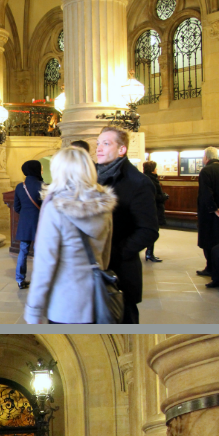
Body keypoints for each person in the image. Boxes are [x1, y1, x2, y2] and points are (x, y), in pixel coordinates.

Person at [23, 147, 116, 324]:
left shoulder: (55, 208)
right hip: (96, 299)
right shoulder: (103, 205)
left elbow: (45, 263)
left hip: (65, 304)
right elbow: (105, 254)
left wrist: (34, 310)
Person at [95, 127, 158, 324]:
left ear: (122, 150)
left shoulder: (138, 182)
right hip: (94, 270)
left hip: (120, 270)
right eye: (98, 143)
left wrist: (115, 253)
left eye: (106, 143)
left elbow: (148, 230)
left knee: (123, 321)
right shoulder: (92, 178)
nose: (98, 148)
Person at [195, 147, 219, 280]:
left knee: (207, 241)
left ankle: (211, 267)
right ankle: (217, 267)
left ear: (206, 157)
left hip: (209, 214)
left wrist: (214, 208)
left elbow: (206, 192)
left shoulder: (206, 170)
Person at [13, 160, 43, 289]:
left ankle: (20, 279)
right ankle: (39, 279)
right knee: (39, 252)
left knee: (23, 251)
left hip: (25, 223)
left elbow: (16, 207)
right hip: (40, 223)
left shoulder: (20, 186)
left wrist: (26, 215)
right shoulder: (43, 186)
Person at [142, 160, 166, 262]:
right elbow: (154, 196)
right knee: (153, 230)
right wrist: (163, 197)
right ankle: (149, 253)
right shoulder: (151, 180)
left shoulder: (144, 179)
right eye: (155, 168)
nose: (156, 170)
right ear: (152, 170)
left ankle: (149, 252)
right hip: (154, 209)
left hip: (150, 209)